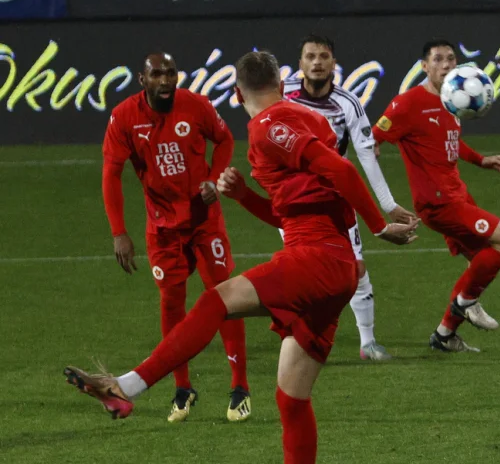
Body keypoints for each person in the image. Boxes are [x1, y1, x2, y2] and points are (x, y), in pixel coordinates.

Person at [66, 51, 417, 464]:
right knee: (291, 399)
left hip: (316, 259)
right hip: (334, 265)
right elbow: (293, 213)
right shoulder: (312, 120)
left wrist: (378, 227)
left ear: (235, 93)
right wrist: (244, 196)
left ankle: (128, 386)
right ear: (281, 81)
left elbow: (342, 172)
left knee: (215, 300)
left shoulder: (271, 127)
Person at [101, 52, 250, 423]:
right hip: (163, 228)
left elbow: (226, 140)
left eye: (170, 73)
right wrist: (119, 232)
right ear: (142, 79)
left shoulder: (196, 105)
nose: (165, 80)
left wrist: (213, 178)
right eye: (157, 74)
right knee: (172, 305)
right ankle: (182, 388)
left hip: (205, 222)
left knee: (226, 298)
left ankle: (240, 388)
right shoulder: (123, 117)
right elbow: (111, 175)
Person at [373, 39, 500, 353]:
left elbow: (450, 142)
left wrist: (481, 160)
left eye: (451, 58)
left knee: (480, 263)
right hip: (437, 201)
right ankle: (467, 302)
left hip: (456, 193)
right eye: (438, 59)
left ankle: (445, 335)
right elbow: (374, 137)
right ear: (424, 66)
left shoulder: (453, 98)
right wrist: (378, 170)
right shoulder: (407, 104)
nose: (447, 65)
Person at [284, 35, 418, 362]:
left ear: (333, 64)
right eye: (310, 56)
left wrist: (387, 204)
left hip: (336, 201)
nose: (317, 62)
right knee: (299, 272)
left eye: (324, 56)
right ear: (301, 63)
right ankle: (300, 339)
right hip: (292, 202)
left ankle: (368, 343)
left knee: (355, 267)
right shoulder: (282, 95)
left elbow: (366, 154)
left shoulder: (348, 103)